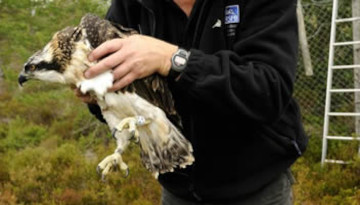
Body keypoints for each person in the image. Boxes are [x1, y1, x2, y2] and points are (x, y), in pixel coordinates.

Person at [76, 0, 308, 204]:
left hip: (256, 189)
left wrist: (173, 59)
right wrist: (101, 96)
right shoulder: (131, 5)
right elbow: (131, 105)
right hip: (177, 190)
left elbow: (269, 90)